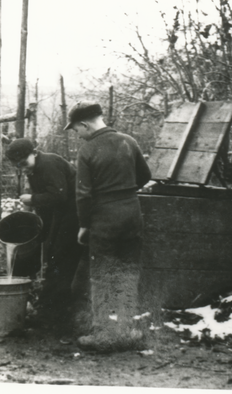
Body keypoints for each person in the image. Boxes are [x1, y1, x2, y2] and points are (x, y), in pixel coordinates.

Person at [64, 100, 151, 352]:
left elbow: (83, 194)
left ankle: (103, 334)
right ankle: (127, 330)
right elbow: (145, 176)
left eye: (76, 130)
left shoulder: (88, 151)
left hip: (104, 218)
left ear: (84, 124)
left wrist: (83, 225)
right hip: (132, 213)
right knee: (128, 270)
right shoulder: (129, 141)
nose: (78, 135)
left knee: (101, 275)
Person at [5, 138, 82, 328]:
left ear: (35, 153)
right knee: (46, 259)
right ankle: (44, 309)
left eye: (23, 163)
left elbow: (59, 195)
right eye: (18, 165)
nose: (22, 168)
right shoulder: (34, 168)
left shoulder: (49, 164)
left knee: (61, 263)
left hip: (73, 217)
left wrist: (32, 199)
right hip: (57, 218)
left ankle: (56, 318)